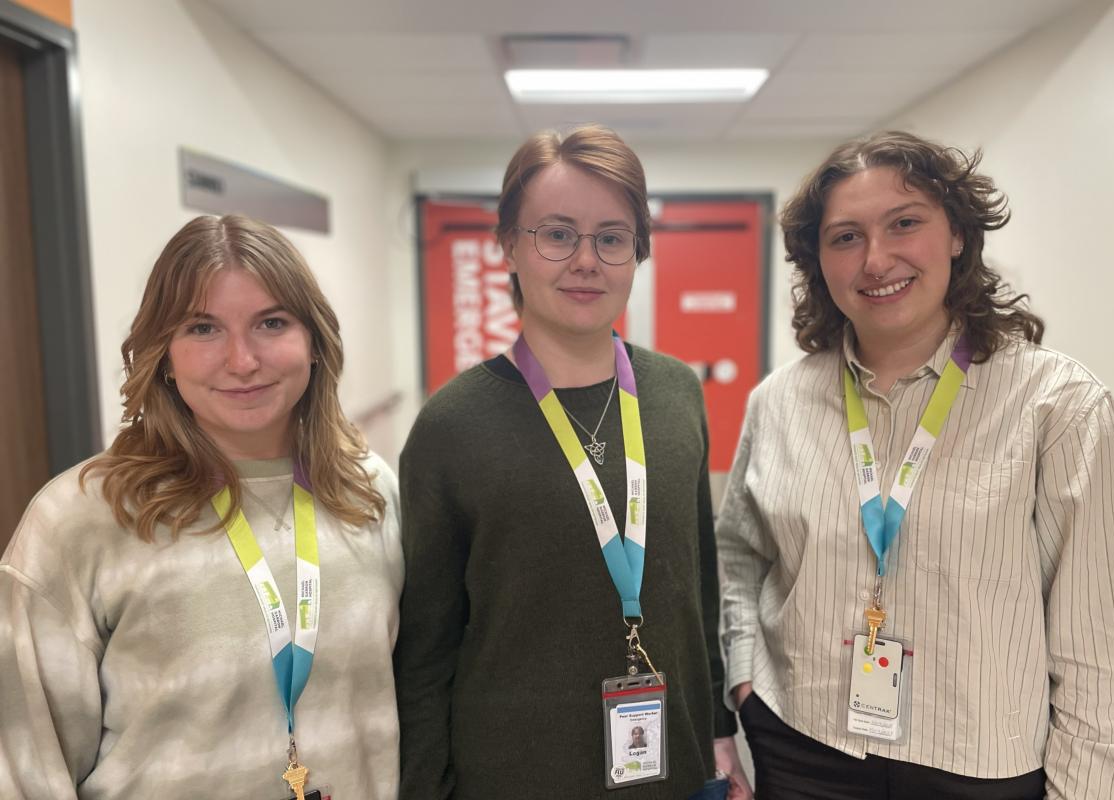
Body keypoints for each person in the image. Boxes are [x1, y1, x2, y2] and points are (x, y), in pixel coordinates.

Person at [718, 131, 1114, 799]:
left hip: (975, 764)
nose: (877, 260)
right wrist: (745, 678)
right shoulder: (779, 402)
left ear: (958, 234)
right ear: (818, 259)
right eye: (845, 237)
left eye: (904, 223)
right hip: (801, 743)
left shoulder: (1058, 407)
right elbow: (739, 556)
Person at [396, 124, 749, 799]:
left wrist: (717, 732)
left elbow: (696, 584)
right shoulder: (450, 428)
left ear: (638, 253)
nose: (586, 261)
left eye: (611, 238)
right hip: (513, 776)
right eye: (556, 234)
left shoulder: (677, 394)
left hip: (667, 767)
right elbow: (424, 657)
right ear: (508, 245)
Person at [0, 215, 403, 799]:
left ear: (314, 342)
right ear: (163, 354)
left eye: (271, 322)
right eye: (203, 328)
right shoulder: (83, 519)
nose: (242, 361)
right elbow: (23, 764)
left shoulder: (368, 492)